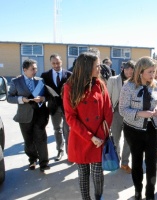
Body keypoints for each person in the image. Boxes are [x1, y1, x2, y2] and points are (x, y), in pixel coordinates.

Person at [63, 52, 113, 200]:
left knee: (98, 175)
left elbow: (108, 112)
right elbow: (70, 117)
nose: (100, 68)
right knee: (83, 173)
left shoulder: (100, 84)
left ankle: (98, 196)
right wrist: (90, 137)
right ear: (86, 67)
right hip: (81, 137)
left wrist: (100, 136)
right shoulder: (70, 87)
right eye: (96, 65)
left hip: (99, 138)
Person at [119, 56, 157, 200]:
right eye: (150, 72)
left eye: (154, 71)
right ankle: (138, 191)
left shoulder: (156, 84)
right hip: (134, 131)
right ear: (140, 71)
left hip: (153, 129)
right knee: (137, 162)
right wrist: (140, 113)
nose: (153, 75)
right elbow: (123, 110)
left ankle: (150, 194)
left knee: (152, 164)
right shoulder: (128, 86)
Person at [7, 59, 50, 172]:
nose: (35, 71)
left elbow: (47, 95)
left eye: (36, 68)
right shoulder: (16, 82)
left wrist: (43, 98)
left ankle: (44, 163)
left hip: (40, 115)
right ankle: (32, 159)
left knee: (41, 139)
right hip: (25, 117)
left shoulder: (40, 81)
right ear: (25, 70)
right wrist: (22, 99)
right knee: (28, 140)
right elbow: (9, 97)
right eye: (32, 69)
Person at [41, 54, 72, 161]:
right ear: (51, 63)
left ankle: (70, 153)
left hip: (67, 108)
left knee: (68, 130)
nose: (56, 65)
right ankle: (60, 150)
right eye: (53, 63)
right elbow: (43, 91)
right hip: (53, 107)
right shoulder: (45, 75)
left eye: (58, 63)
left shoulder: (69, 75)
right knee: (57, 129)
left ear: (61, 62)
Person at [107, 60, 135, 174]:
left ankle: (125, 163)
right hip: (116, 114)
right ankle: (116, 160)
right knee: (116, 139)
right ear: (123, 69)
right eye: (127, 69)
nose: (129, 72)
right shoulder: (113, 80)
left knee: (128, 140)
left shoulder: (136, 82)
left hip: (130, 114)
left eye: (132, 70)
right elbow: (107, 98)